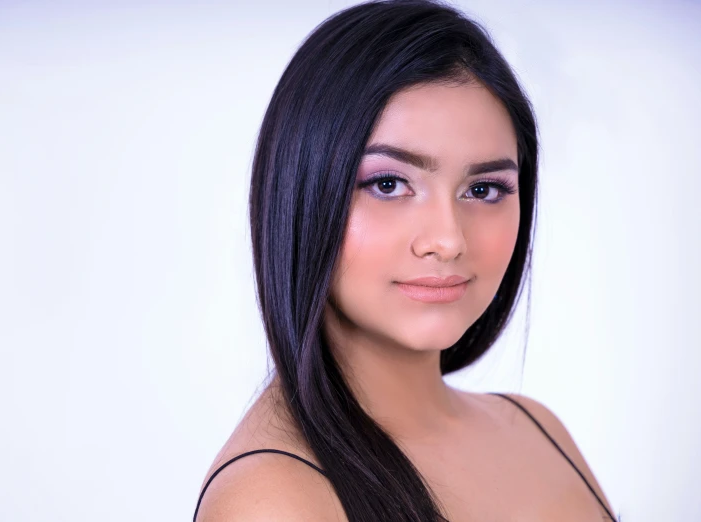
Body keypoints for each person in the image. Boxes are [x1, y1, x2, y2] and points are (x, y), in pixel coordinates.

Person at [194, 1, 618, 520]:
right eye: (388, 184)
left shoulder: (538, 428)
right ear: (302, 192)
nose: (447, 239)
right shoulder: (275, 499)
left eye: (483, 189)